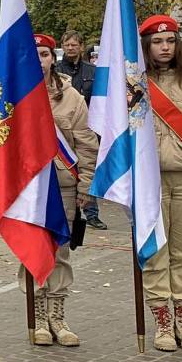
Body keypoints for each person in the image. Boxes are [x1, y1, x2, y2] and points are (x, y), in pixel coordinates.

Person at [0, 34, 97, 346]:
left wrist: (85, 185)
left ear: (54, 58)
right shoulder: (10, 96)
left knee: (59, 252)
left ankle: (57, 316)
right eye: (33, 54)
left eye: (45, 54)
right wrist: (12, 166)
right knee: (31, 250)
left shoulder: (72, 97)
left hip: (62, 185)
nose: (39, 60)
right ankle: (36, 317)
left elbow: (87, 144)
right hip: (27, 189)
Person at [140, 14, 182, 352]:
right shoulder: (134, 85)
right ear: (147, 47)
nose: (164, 48)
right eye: (156, 42)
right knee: (155, 254)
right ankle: (162, 323)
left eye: (170, 41)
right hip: (149, 183)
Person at [56, 30, 105, 231]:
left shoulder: (93, 71)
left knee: (87, 168)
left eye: (74, 45)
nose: (70, 48)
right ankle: (68, 214)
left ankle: (92, 213)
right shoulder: (56, 70)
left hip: (88, 126)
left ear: (81, 47)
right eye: (67, 45)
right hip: (63, 132)